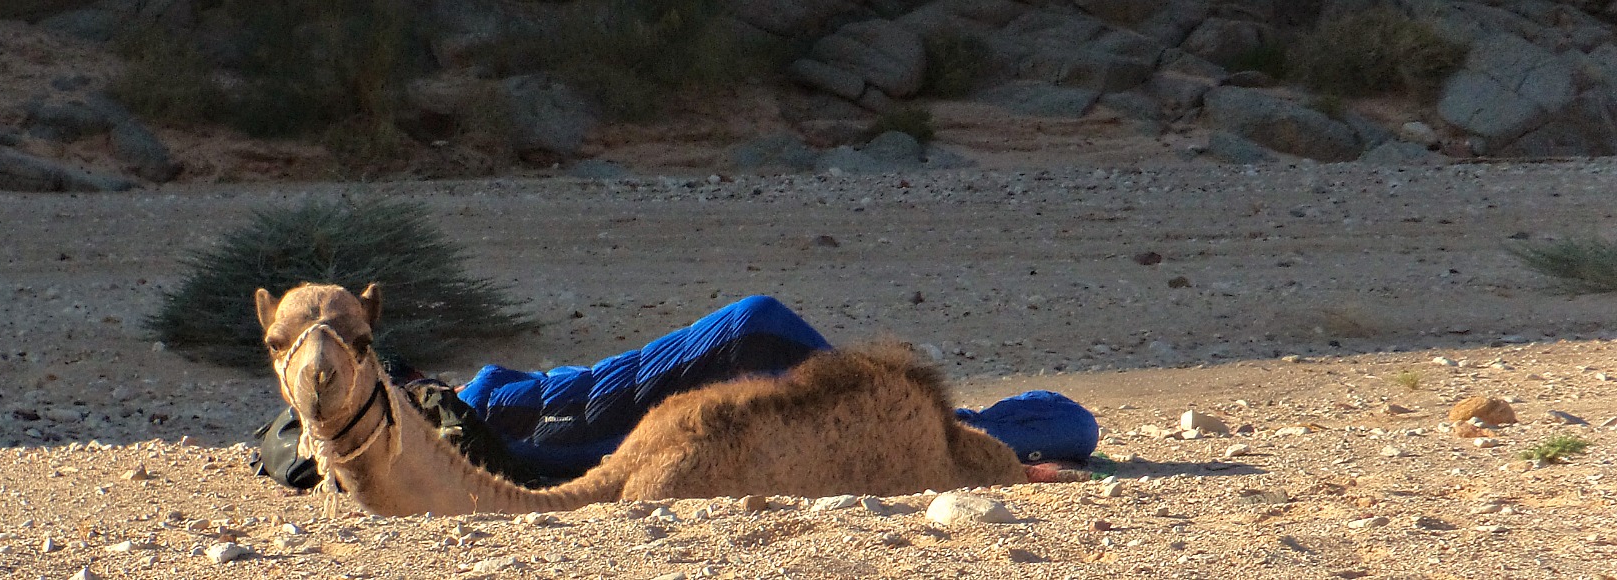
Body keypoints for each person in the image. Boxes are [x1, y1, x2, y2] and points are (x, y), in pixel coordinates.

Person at [254, 296, 1098, 489]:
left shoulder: (478, 411)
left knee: (1064, 424)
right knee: (1065, 426)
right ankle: (963, 439)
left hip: (730, 356)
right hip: (723, 374)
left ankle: (958, 437)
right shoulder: (478, 447)